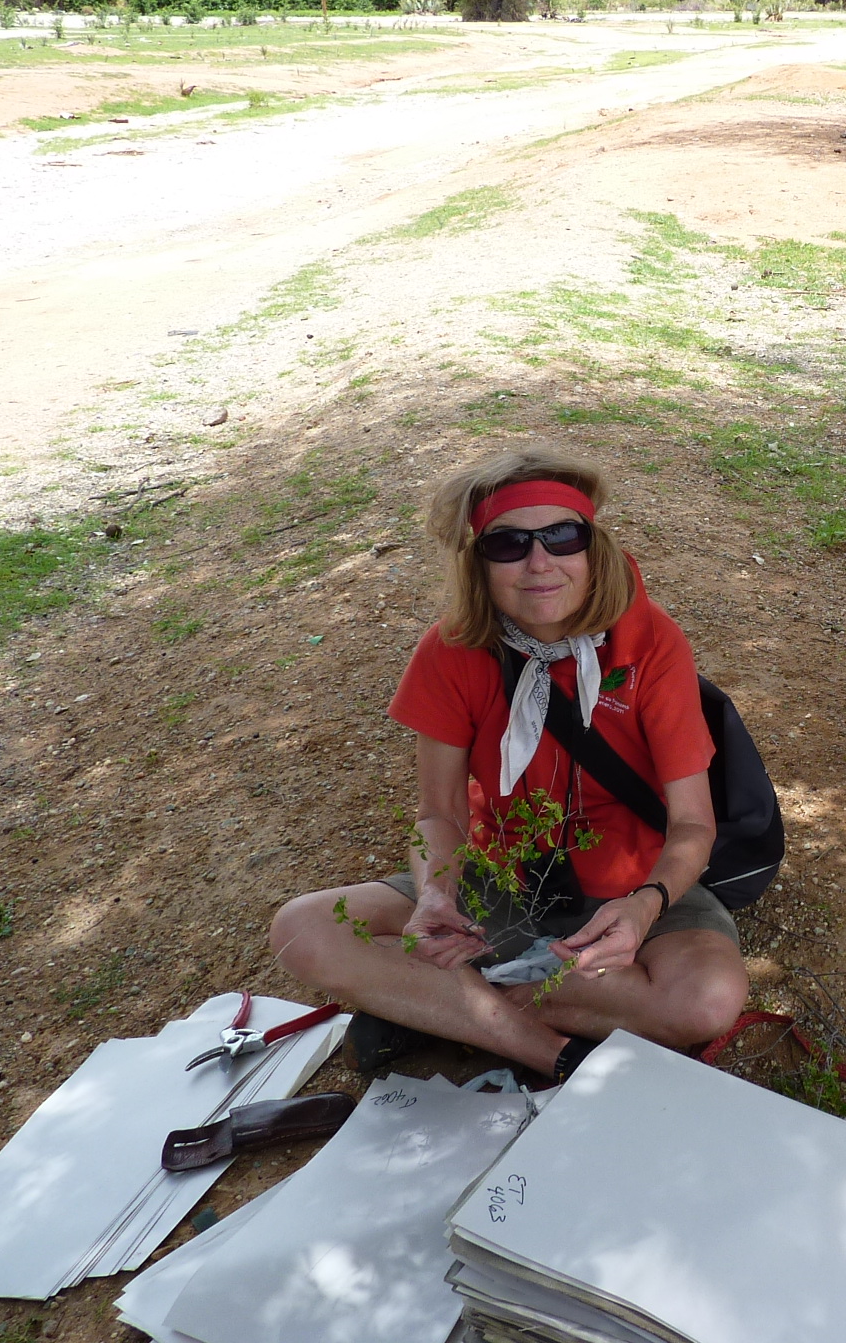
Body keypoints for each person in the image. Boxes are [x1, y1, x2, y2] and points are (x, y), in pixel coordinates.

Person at [269, 446, 747, 1082]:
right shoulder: (452, 649)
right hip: (502, 875)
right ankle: (549, 1050)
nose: (539, 562)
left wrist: (644, 907)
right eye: (508, 544)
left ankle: (447, 1004)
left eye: (563, 537)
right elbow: (439, 813)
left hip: (633, 881)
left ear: (593, 549)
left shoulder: (651, 642)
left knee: (706, 999)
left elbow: (692, 825)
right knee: (301, 929)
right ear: (479, 564)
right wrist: (436, 892)